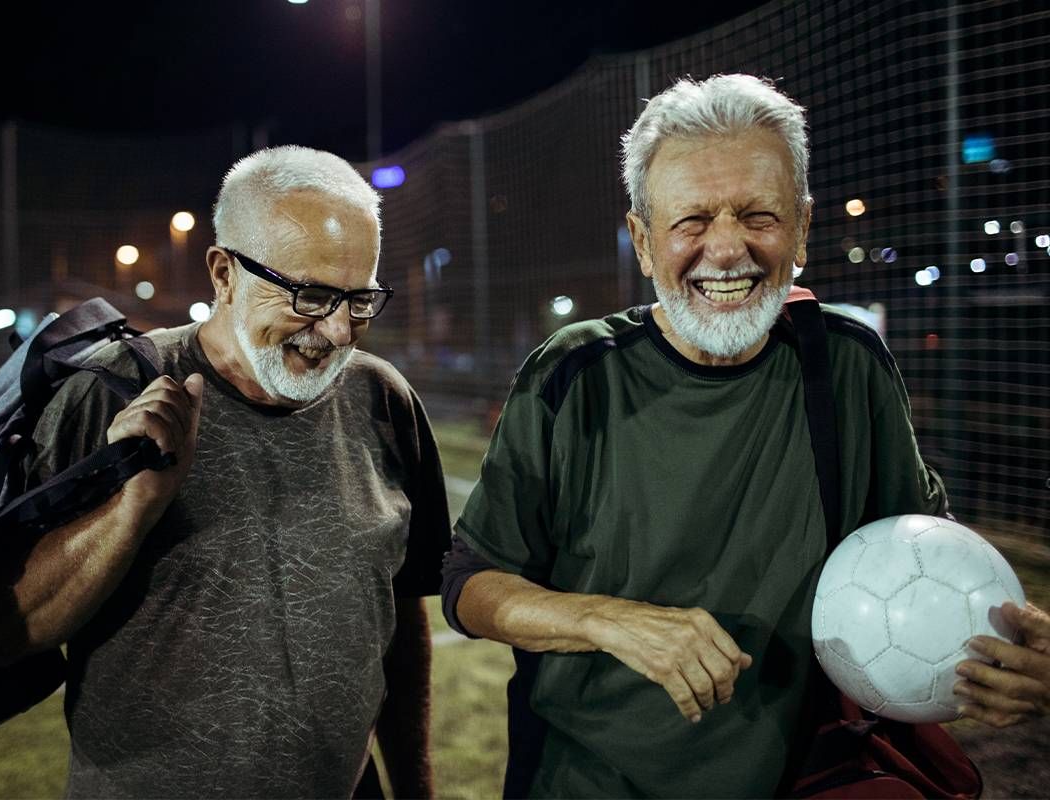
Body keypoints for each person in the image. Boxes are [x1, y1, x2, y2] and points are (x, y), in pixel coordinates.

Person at [440, 74, 1050, 797]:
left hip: (796, 777)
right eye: (691, 221)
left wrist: (1013, 640)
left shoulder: (848, 366)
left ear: (801, 229)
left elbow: (921, 555)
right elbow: (469, 584)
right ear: (642, 240)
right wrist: (611, 622)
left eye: (757, 214)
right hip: (588, 781)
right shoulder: (573, 374)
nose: (726, 248)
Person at [0, 145, 450, 798]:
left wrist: (415, 789)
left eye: (360, 301)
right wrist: (132, 508)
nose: (338, 331)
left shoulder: (383, 400)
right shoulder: (106, 394)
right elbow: (1, 632)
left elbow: (398, 612)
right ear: (224, 273)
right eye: (310, 296)